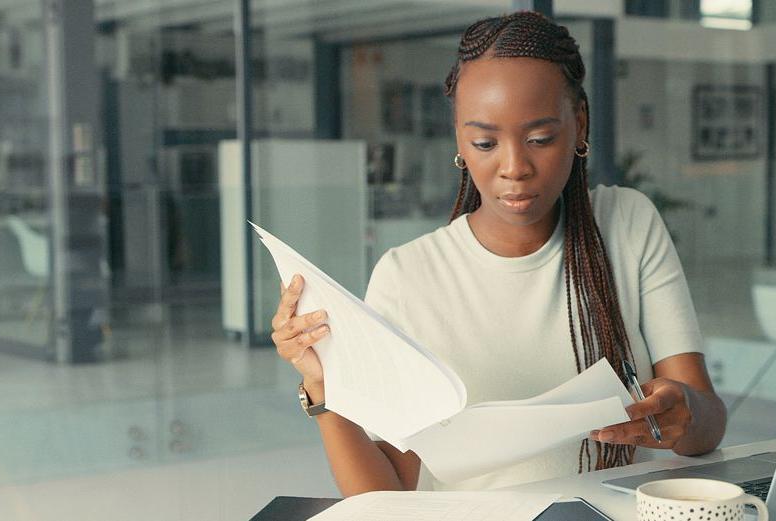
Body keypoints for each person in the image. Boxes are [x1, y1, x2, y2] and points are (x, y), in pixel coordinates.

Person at [271, 11, 727, 495]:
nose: (514, 167)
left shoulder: (628, 223)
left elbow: (707, 424)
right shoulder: (407, 277)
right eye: (485, 142)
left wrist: (685, 415)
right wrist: (324, 389)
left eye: (539, 139)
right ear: (459, 141)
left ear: (580, 122)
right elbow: (384, 496)